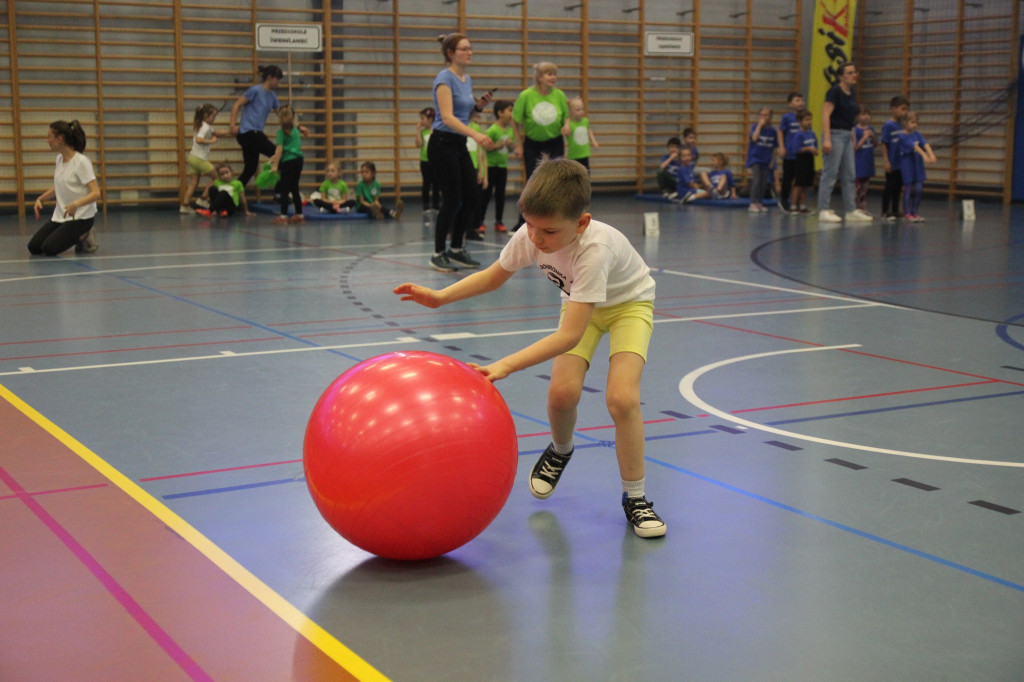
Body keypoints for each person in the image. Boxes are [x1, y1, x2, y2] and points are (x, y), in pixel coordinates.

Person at [393, 158, 666, 538]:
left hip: (628, 306)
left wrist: (506, 365)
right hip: (579, 302)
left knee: (622, 399)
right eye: (531, 227)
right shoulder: (532, 233)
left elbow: (569, 336)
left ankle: (635, 497)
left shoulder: (594, 250)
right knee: (561, 393)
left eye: (548, 232)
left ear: (581, 223)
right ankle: (560, 448)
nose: (536, 239)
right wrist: (440, 297)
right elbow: (493, 276)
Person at [428, 33, 495, 271]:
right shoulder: (444, 79)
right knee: (453, 199)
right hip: (442, 144)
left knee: (472, 197)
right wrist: (475, 134)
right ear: (451, 53)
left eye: (470, 48)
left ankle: (456, 249)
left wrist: (478, 107)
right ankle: (438, 253)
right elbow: (446, 117)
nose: (470, 52)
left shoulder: (466, 79)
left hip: (458, 145)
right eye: (464, 49)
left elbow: (465, 115)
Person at [29, 120, 101, 256]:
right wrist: (41, 199)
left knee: (49, 248)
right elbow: (59, 186)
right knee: (34, 247)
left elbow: (96, 193)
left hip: (81, 217)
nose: (47, 140)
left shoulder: (81, 162)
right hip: (62, 216)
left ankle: (85, 234)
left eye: (49, 136)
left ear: (60, 138)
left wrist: (76, 204)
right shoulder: (59, 160)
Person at [512, 61, 569, 228]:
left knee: (557, 180)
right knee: (532, 181)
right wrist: (518, 145)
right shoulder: (526, 96)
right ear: (539, 77)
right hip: (532, 143)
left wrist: (566, 125)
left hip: (554, 142)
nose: (553, 77)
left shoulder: (559, 95)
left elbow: (566, 115)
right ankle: (524, 220)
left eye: (555, 74)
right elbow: (515, 122)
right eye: (549, 74)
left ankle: (556, 217)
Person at [818, 62, 873, 223]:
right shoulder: (834, 92)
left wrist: (853, 132)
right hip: (834, 134)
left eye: (854, 72)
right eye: (849, 72)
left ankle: (850, 210)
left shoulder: (852, 93)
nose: (854, 75)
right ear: (841, 76)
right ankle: (823, 209)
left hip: (847, 134)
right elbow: (826, 115)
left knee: (849, 174)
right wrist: (827, 139)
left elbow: (849, 116)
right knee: (830, 173)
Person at [229, 64, 282, 187]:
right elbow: (237, 105)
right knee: (280, 156)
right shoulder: (255, 90)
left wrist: (298, 127)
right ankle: (280, 192)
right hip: (249, 133)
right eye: (277, 79)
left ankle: (230, 194)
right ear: (270, 77)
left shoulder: (272, 96)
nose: (278, 83)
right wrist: (232, 125)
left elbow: (282, 115)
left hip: (255, 135)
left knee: (250, 169)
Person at [269, 104, 311, 224]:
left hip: (288, 161)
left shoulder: (281, 132)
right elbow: (289, 146)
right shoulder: (295, 129)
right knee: (294, 188)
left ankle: (283, 216)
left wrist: (275, 165)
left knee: (285, 189)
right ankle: (299, 214)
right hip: (298, 160)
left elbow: (280, 149)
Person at [481, 99, 515, 233]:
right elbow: (485, 148)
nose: (512, 114)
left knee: (501, 195)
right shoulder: (492, 130)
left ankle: (499, 221)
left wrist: (510, 145)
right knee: (486, 195)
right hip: (490, 167)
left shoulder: (510, 130)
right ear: (500, 113)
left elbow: (511, 149)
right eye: (510, 110)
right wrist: (498, 145)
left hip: (502, 166)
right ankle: (480, 221)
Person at [897, 111, 937, 222]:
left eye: (916, 122)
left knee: (919, 188)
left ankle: (915, 212)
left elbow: (925, 144)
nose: (914, 124)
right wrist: (924, 155)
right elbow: (915, 147)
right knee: (909, 188)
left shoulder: (917, 134)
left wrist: (931, 154)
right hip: (907, 165)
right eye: (912, 122)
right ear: (905, 123)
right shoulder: (901, 136)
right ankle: (907, 213)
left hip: (917, 164)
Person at [181, 104, 219, 214]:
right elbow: (198, 139)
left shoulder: (202, 124)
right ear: (206, 115)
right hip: (199, 159)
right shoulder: (205, 127)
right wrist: (211, 141)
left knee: (194, 183)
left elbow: (215, 132)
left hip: (193, 157)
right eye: (213, 116)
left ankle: (185, 206)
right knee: (217, 179)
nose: (214, 119)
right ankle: (202, 199)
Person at [880, 96, 910, 222]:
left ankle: (895, 210)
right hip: (892, 162)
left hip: (901, 162)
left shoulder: (902, 125)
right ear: (894, 109)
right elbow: (884, 143)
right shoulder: (888, 125)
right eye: (902, 109)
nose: (905, 112)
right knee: (889, 187)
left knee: (898, 188)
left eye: (906, 109)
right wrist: (886, 160)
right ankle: (885, 211)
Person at [745, 107, 778, 213]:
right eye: (761, 115)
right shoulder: (755, 127)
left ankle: (760, 202)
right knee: (757, 179)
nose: (763, 117)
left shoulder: (773, 130)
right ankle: (752, 203)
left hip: (766, 159)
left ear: (770, 117)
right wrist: (759, 125)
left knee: (764, 182)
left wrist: (773, 160)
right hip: (755, 157)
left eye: (766, 115)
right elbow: (754, 139)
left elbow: (774, 147)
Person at [777, 91, 805, 213]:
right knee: (788, 178)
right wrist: (782, 147)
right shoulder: (787, 117)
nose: (800, 103)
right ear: (790, 104)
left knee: (800, 179)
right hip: (790, 152)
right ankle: (784, 200)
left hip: (801, 153)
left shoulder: (805, 116)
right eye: (797, 100)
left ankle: (797, 202)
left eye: (801, 100)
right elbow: (780, 132)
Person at [414, 107, 441, 227]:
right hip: (425, 161)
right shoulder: (424, 132)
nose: (422, 121)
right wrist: (418, 131)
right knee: (426, 183)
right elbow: (418, 144)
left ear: (431, 119)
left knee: (436, 183)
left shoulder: (437, 131)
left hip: (436, 161)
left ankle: (436, 205)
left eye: (423, 118)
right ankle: (426, 205)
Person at [791, 109, 819, 214]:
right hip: (800, 160)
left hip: (809, 160)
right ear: (800, 121)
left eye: (810, 119)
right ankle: (793, 206)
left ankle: (803, 206)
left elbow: (815, 146)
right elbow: (796, 149)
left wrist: (815, 150)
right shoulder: (799, 134)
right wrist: (808, 149)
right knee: (798, 184)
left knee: (806, 185)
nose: (809, 122)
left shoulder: (811, 133)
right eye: (807, 120)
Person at [467, 108, 489, 233]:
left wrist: (482, 172)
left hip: (474, 168)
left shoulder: (476, 128)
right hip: (462, 167)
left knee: (474, 198)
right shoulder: (459, 127)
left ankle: (473, 226)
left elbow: (481, 152)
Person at [853, 106, 877, 214]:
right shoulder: (854, 129)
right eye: (863, 114)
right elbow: (855, 147)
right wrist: (864, 137)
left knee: (864, 187)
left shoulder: (871, 129)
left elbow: (876, 144)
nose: (866, 116)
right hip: (858, 162)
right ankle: (853, 208)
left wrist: (871, 137)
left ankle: (862, 208)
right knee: (856, 187)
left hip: (868, 162)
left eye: (867, 114)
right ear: (857, 116)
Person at [566, 96, 599, 172]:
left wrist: (593, 141)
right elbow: (565, 132)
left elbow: (589, 130)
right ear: (571, 112)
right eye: (578, 110)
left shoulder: (585, 121)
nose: (581, 111)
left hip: (584, 153)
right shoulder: (569, 124)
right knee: (574, 174)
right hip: (574, 155)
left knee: (586, 172)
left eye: (582, 109)